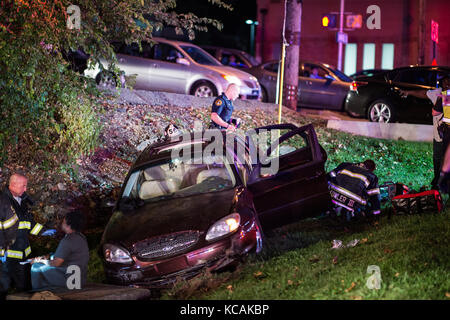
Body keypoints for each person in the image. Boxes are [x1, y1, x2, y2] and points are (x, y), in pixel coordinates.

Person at [0, 172, 56, 297]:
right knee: (3, 288)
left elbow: (28, 223)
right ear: (13, 185)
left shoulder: (21, 200)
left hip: (22, 254)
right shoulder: (2, 201)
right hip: (6, 256)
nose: (26, 189)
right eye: (23, 186)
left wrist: (43, 231)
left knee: (24, 288)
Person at [399, 74, 450, 189]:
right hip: (439, 136)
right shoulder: (439, 93)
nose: (447, 83)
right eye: (444, 81)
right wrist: (408, 92)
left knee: (444, 160)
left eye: (449, 81)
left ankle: (441, 184)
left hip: (446, 136)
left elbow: (435, 112)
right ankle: (437, 183)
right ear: (441, 83)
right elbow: (424, 93)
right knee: (437, 159)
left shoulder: (444, 96)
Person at [30, 211, 89, 291]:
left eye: (64, 222)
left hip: (69, 280)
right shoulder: (81, 237)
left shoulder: (67, 240)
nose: (62, 223)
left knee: (36, 267)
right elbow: (66, 256)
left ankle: (40, 293)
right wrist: (49, 256)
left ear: (68, 226)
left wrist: (39, 261)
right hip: (80, 279)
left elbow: (56, 263)